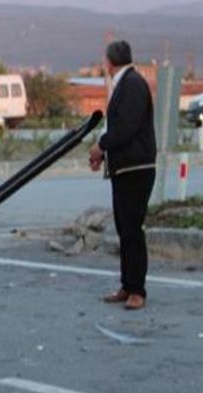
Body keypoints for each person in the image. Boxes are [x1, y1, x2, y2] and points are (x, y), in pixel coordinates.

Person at [89, 40, 157, 310]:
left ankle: (137, 290)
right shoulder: (125, 84)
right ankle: (127, 285)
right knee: (124, 229)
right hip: (124, 167)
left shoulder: (132, 85)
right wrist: (102, 153)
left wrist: (101, 145)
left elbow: (126, 128)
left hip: (136, 168)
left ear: (109, 62)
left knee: (132, 229)